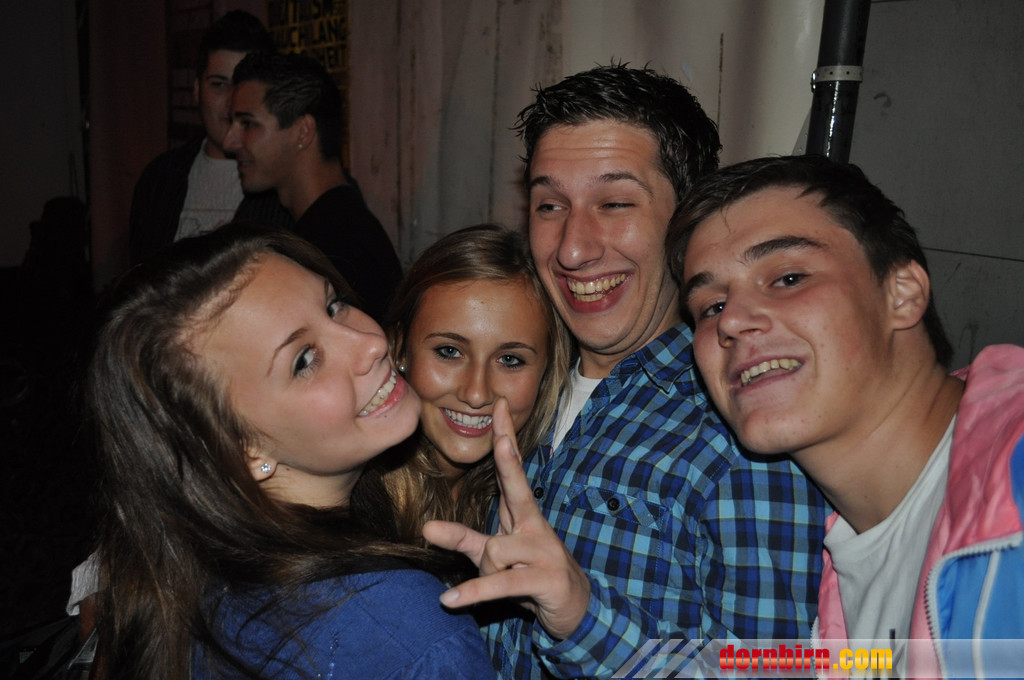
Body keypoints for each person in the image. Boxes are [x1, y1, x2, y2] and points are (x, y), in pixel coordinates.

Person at [423, 65, 828, 678]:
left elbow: (779, 670)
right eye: (550, 205)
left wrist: (583, 620)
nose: (573, 248)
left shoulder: (742, 427)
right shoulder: (518, 379)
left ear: (687, 219)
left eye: (614, 204)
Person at [670, 154, 1024, 678]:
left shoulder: (1013, 475)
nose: (733, 321)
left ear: (902, 294)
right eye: (711, 307)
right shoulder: (834, 568)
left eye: (788, 278)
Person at [86, 223, 494, 679]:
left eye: (334, 306)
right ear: (242, 451)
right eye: (304, 360)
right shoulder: (410, 633)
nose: (372, 343)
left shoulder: (178, 584)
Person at [380, 224, 573, 542]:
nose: (476, 393)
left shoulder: (541, 499)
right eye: (449, 351)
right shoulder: (356, 500)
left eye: (509, 359)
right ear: (400, 349)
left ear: (547, 372)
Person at [224, 51, 403, 321]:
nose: (230, 141)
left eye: (247, 123)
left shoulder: (334, 247)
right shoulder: (335, 225)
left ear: (303, 131)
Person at [128, 10, 291, 265]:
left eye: (242, 85)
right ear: (196, 90)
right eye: (218, 84)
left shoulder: (284, 186)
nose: (231, 100)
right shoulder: (160, 179)